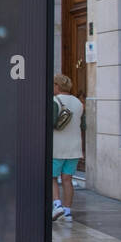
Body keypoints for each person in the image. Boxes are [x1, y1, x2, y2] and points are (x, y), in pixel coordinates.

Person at [52, 73, 84, 223]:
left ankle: (57, 204)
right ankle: (67, 211)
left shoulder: (54, 101)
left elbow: (51, 123)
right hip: (74, 147)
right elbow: (83, 125)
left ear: (57, 86)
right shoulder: (78, 102)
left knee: (52, 177)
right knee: (67, 179)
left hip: (57, 147)